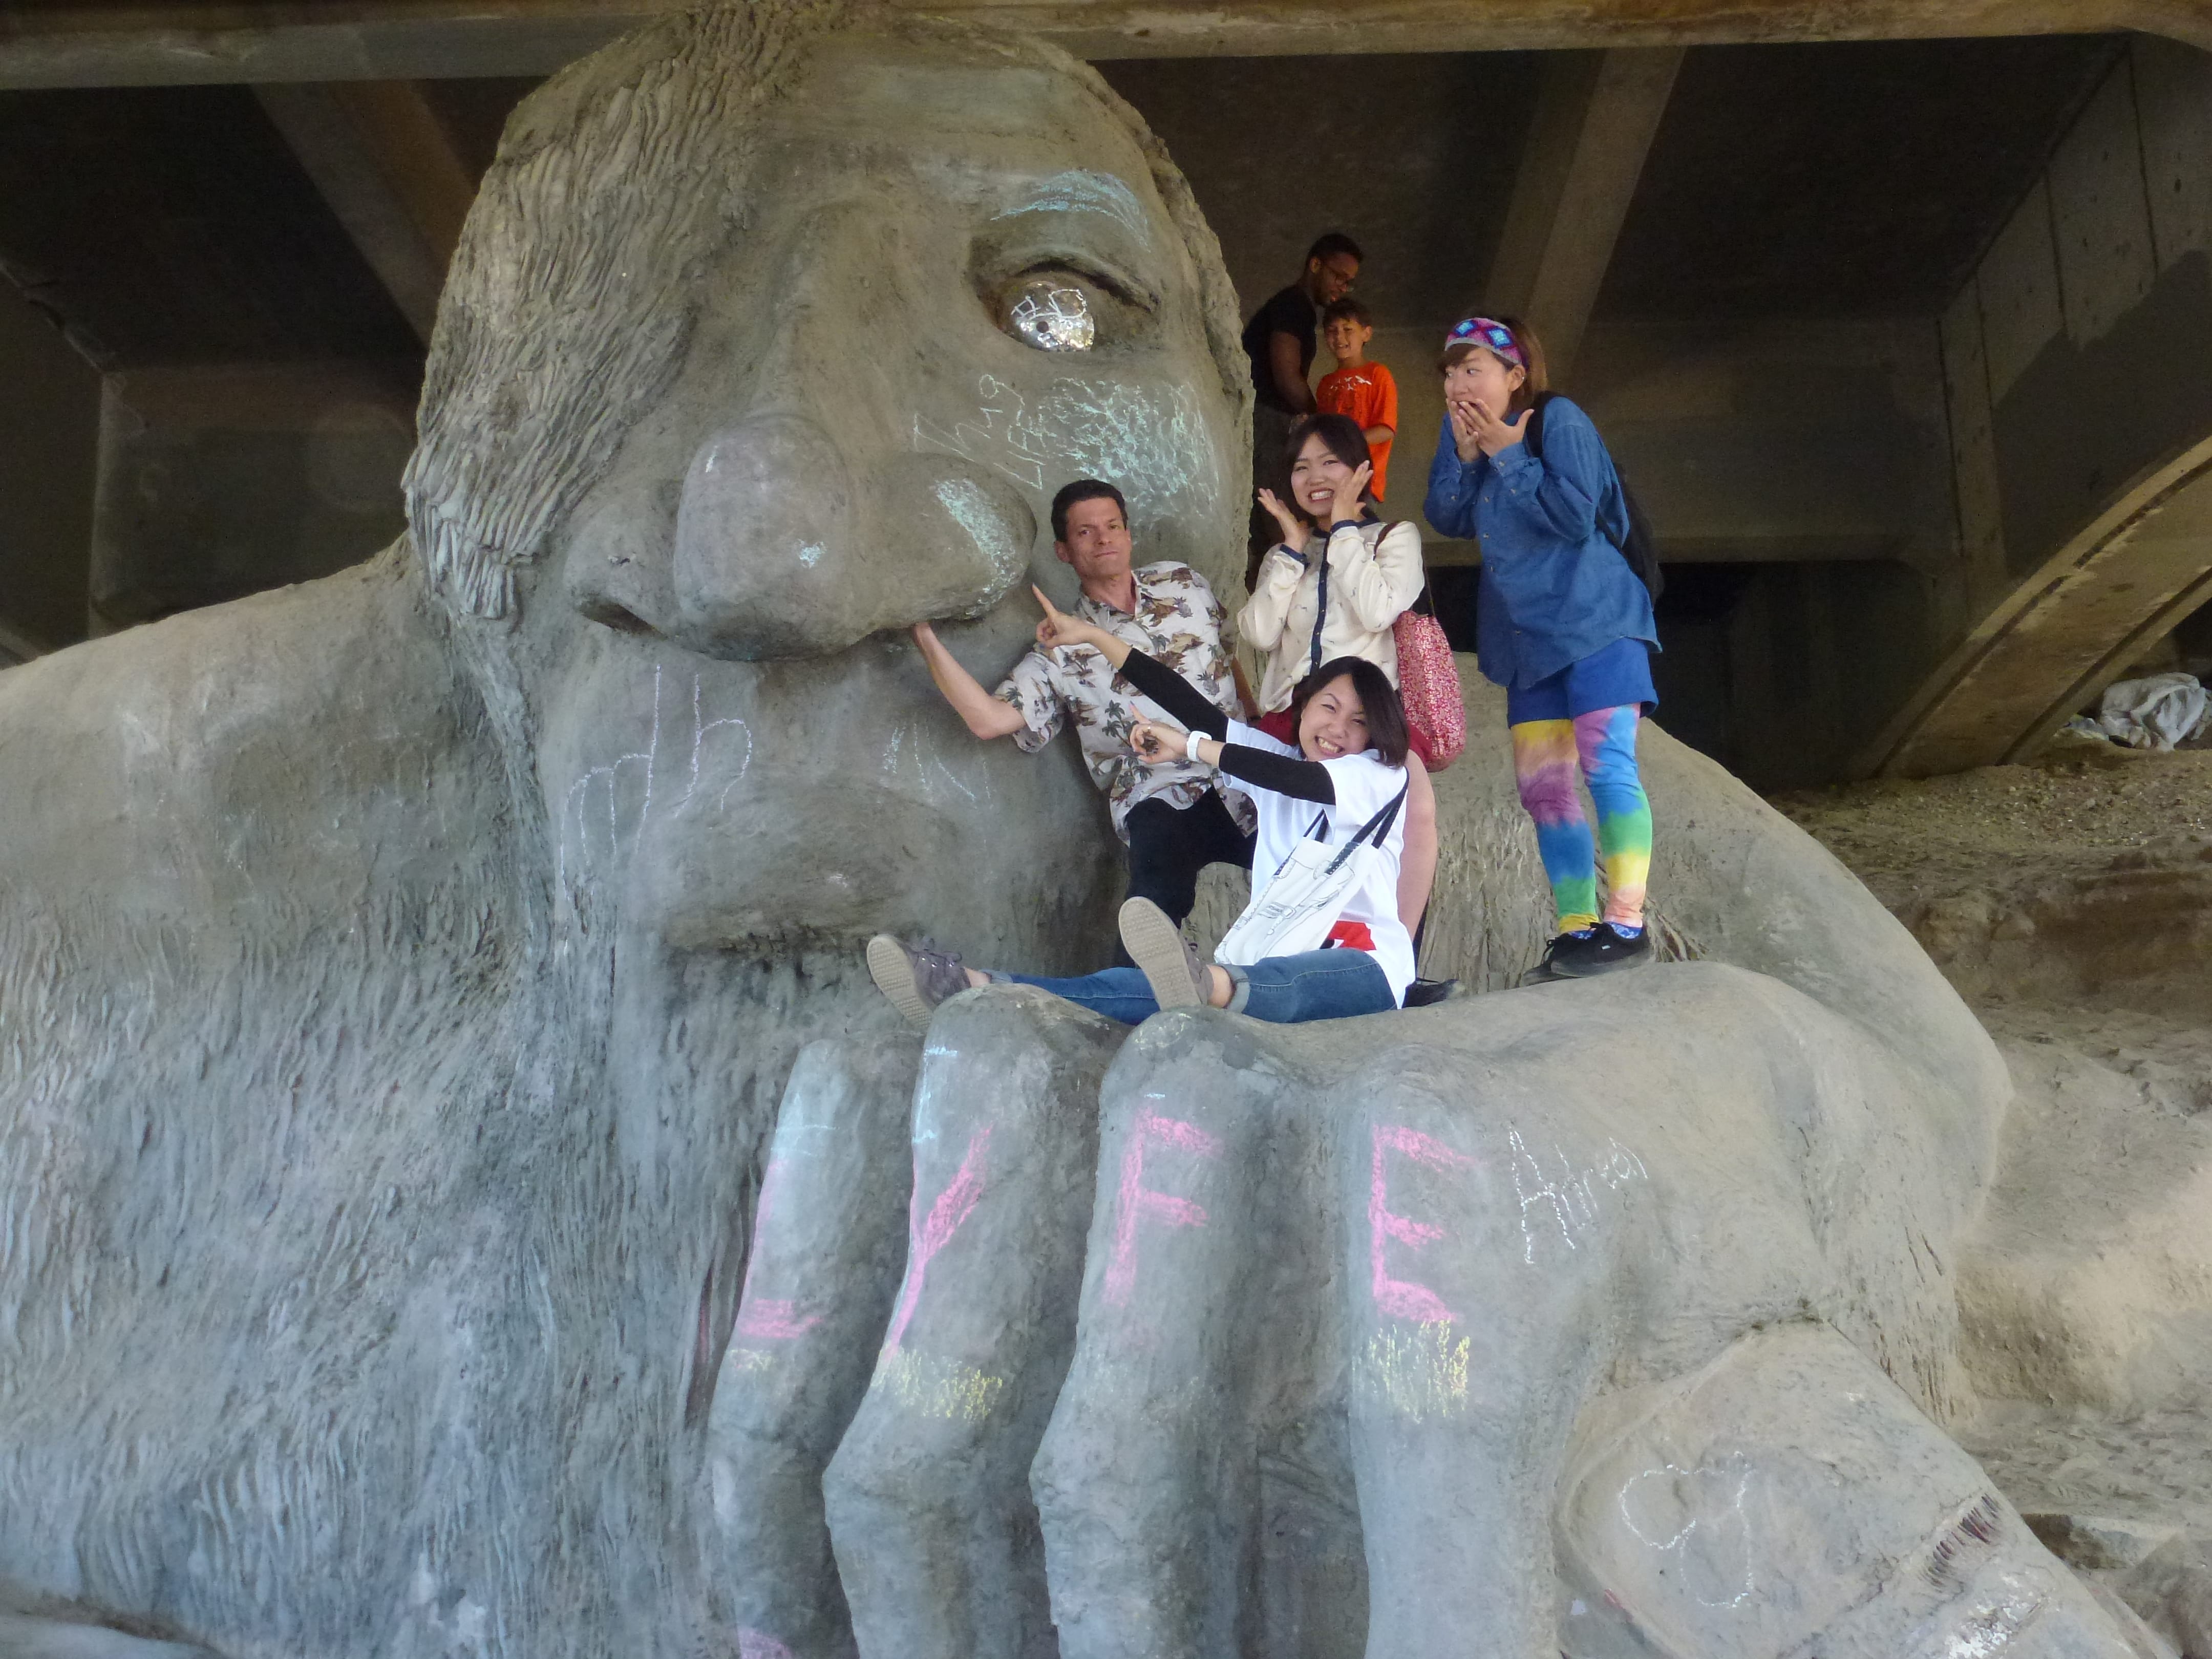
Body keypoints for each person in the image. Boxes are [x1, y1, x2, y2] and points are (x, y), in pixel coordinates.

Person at [870, 603, 1414, 1028]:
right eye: (1329, 708)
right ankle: (974, 986)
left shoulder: (1378, 774)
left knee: (1284, 985)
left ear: (1375, 735)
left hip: (1365, 968)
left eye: (1359, 721)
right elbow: (1190, 704)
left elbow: (1297, 781)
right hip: (1268, 958)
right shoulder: (1277, 758)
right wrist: (1098, 639)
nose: (1339, 729)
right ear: (1304, 707)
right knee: (1133, 988)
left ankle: (1208, 986)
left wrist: (1189, 749)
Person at [909, 478, 1254, 961]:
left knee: (1316, 864)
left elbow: (1228, 653)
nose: (1105, 539)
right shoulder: (1060, 651)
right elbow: (987, 720)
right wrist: (924, 635)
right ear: (1064, 551)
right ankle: (1136, 999)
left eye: (1113, 526)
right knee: (1153, 902)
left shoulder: (1185, 583)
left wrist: (1258, 723)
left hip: (1241, 772)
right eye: (1086, 533)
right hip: (1158, 792)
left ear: (1129, 534)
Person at [1421, 314, 1661, 977]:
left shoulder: (1560, 421)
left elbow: (1574, 516)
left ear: (1515, 375)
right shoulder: (1460, 430)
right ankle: (1578, 928)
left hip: (1598, 624)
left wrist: (1507, 453)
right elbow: (1445, 516)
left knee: (1606, 765)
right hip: (1526, 643)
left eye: (1472, 369)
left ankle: (1627, 924)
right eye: (1449, 372)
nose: (1455, 384)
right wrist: (1468, 457)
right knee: (1543, 788)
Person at [1241, 412, 1436, 930]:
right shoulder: (1290, 554)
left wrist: (1347, 529)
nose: (1316, 478)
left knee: (1405, 824)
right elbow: (1259, 633)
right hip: (1292, 719)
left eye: (1331, 462)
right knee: (1287, 837)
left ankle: (1396, 962)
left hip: (1364, 723)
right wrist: (1289, 550)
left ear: (1360, 470)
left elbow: (1378, 610)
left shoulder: (1394, 537)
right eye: (1302, 468)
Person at [1240, 231, 1363, 573]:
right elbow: (1286, 374)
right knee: (1279, 515)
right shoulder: (1293, 305)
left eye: (1349, 283)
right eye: (1338, 276)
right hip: (1268, 420)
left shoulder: (1299, 309)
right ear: (1315, 265)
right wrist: (1320, 426)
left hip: (1265, 421)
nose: (1342, 286)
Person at [1315, 297, 1398, 501]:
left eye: (1348, 329)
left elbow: (1386, 429)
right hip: (1330, 481)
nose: (1339, 337)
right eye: (1332, 331)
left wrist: (1344, 444)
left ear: (1366, 333)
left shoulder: (1378, 374)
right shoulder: (1326, 383)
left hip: (1364, 482)